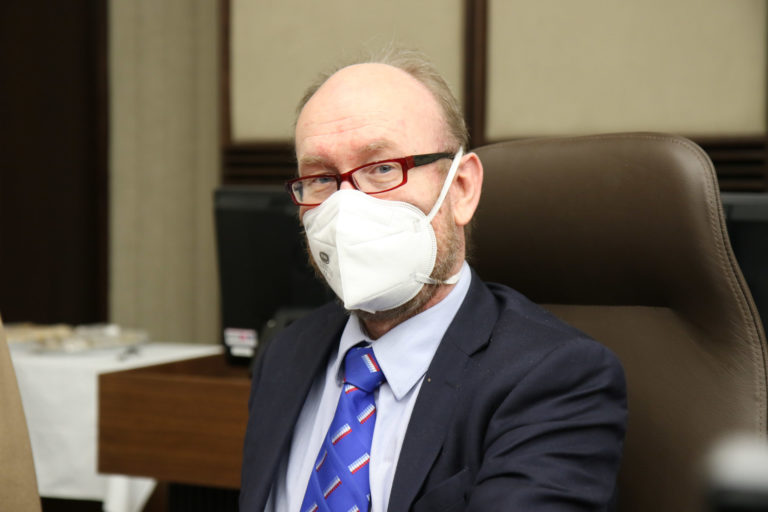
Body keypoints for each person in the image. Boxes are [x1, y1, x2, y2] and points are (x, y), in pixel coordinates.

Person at [240, 48, 627, 512]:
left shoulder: (556, 378)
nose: (345, 207)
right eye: (321, 178)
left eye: (382, 168)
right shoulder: (285, 355)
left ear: (461, 189)